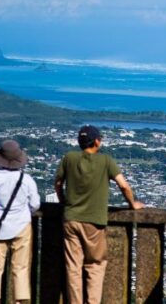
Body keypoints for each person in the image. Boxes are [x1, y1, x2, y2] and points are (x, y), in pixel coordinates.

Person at [54, 125, 145, 304]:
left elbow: (58, 183)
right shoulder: (105, 161)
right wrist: (132, 204)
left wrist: (63, 201)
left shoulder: (69, 158)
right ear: (97, 141)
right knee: (95, 265)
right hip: (94, 222)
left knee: (73, 267)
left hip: (70, 219)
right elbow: (124, 185)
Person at [0, 140, 41, 304]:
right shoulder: (26, 179)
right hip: (21, 225)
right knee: (20, 267)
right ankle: (19, 301)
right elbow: (35, 204)